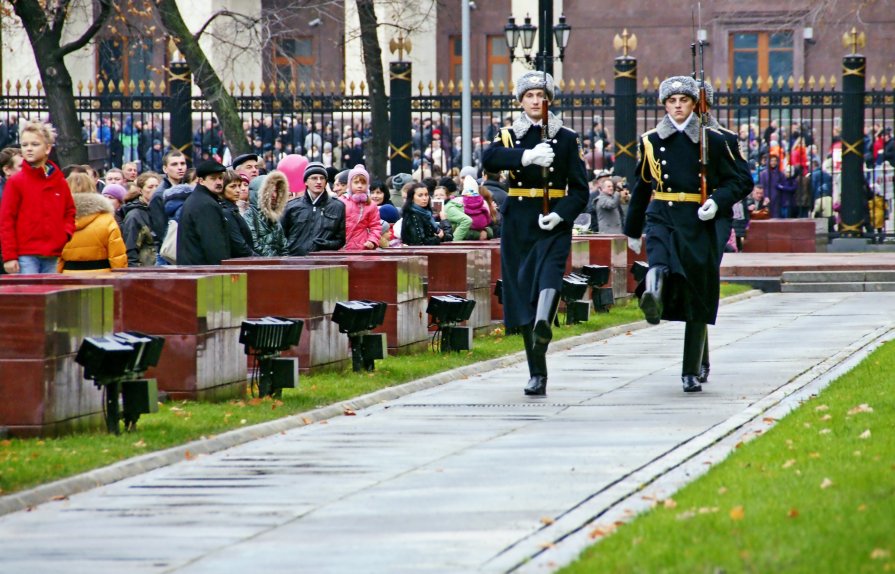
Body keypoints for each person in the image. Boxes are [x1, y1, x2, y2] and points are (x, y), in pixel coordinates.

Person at [623, 75, 751, 393]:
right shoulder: (651, 140)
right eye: (671, 102)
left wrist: (717, 201)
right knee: (660, 260)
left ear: (695, 104)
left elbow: (741, 180)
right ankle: (651, 294)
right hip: (662, 214)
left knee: (697, 291)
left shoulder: (717, 140)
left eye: (683, 101)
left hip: (699, 220)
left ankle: (692, 368)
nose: (677, 107)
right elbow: (642, 186)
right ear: (664, 105)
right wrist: (632, 229)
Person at [482, 70, 589, 396]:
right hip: (520, 222)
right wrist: (526, 156)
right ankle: (536, 372)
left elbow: (580, 190)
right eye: (529, 96)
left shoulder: (568, 138)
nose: (535, 101)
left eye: (541, 96)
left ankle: (545, 320)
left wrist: (560, 214)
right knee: (523, 289)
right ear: (521, 101)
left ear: (549, 101)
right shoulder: (508, 135)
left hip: (552, 221)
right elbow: (488, 159)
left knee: (550, 275)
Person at [1, 120, 76, 274]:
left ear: (47, 148)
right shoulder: (16, 182)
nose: (28, 149)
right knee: (29, 297)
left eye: (34, 144)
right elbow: (6, 220)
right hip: (25, 254)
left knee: (52, 297)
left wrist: (64, 235)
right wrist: (9, 256)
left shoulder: (59, 182)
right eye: (24, 145)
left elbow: (69, 211)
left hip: (52, 253)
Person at [57, 173, 127, 273]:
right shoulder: (107, 220)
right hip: (102, 280)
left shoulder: (58, 221)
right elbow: (117, 258)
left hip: (68, 279)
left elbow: (56, 260)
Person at [280, 161, 346, 255]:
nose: (318, 182)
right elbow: (280, 236)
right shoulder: (291, 206)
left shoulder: (338, 206)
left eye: (322, 178)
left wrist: (326, 244)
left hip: (323, 262)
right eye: (314, 178)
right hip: (294, 260)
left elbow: (340, 240)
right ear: (306, 182)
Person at [176, 160, 232, 265]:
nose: (219, 182)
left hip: (195, 270)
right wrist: (222, 270)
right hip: (202, 271)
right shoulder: (206, 204)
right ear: (201, 181)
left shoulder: (200, 199)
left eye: (220, 178)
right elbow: (213, 245)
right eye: (213, 178)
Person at [243, 171, 288, 257]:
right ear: (259, 193)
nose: (274, 195)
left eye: (276, 191)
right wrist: (275, 260)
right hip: (260, 266)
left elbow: (283, 246)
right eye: (270, 191)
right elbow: (254, 245)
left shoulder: (274, 216)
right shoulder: (249, 215)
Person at [121, 172, 161, 267]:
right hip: (145, 269)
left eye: (157, 186)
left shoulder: (161, 210)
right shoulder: (134, 215)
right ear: (140, 190)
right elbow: (130, 248)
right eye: (150, 187)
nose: (155, 190)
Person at [340, 164, 381, 251]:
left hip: (363, 247)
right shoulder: (341, 202)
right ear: (349, 184)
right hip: (342, 246)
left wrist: (372, 241)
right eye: (356, 182)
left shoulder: (371, 205)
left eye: (363, 183)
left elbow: (376, 226)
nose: (360, 185)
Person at [220, 169, 257, 258]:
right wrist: (257, 259)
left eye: (239, 186)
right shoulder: (226, 212)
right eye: (233, 186)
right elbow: (240, 246)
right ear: (223, 188)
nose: (238, 190)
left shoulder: (233, 210)